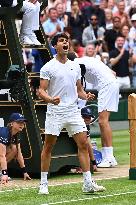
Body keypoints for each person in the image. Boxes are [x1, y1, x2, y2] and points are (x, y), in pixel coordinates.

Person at [38, 33, 105, 194]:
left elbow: (79, 90)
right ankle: (43, 184)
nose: (65, 43)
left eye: (66, 41)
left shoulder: (75, 66)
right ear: (55, 46)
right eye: (61, 41)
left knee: (83, 144)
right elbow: (41, 91)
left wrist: (86, 96)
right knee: (48, 147)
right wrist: (51, 99)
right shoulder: (48, 67)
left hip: (73, 111)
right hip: (55, 111)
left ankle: (88, 183)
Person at [74, 55, 119, 168]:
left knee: (103, 122)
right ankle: (108, 156)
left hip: (107, 86)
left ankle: (109, 158)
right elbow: (113, 73)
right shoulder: (91, 60)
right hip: (111, 84)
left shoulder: (75, 63)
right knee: (103, 122)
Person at [0, 113, 31, 184]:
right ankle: (2, 173)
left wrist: (24, 171)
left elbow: (19, 154)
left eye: (23, 123)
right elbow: (2, 155)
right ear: (11, 124)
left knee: (14, 149)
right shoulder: (3, 133)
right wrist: (5, 173)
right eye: (19, 122)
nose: (22, 124)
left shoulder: (16, 135)